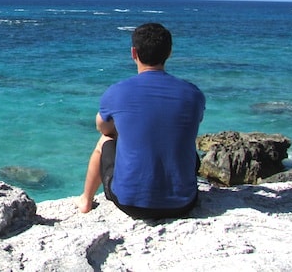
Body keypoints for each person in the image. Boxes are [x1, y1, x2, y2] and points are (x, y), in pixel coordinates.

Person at [75, 23, 205, 219]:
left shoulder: (117, 92)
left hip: (130, 202)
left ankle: (86, 199)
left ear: (133, 53)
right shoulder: (193, 94)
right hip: (183, 203)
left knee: (105, 140)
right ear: (169, 53)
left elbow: (102, 127)